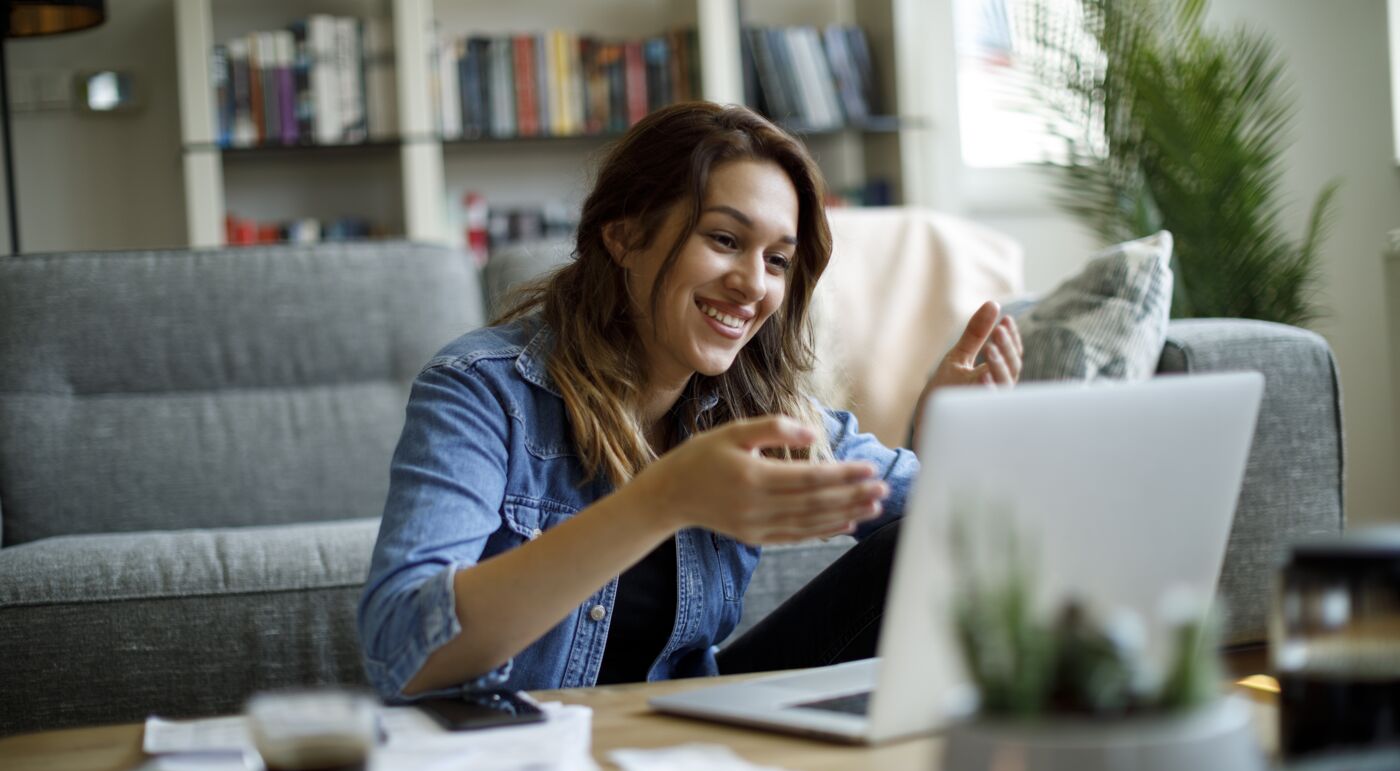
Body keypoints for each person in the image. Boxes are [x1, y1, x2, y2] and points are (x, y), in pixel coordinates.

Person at [358, 102, 1021, 700]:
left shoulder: (755, 404)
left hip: (684, 732)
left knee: (917, 545)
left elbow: (949, 520)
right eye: (725, 240)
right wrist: (662, 497)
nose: (753, 286)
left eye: (778, 261)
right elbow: (400, 647)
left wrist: (951, 439)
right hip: (526, 745)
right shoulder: (482, 389)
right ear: (624, 236)